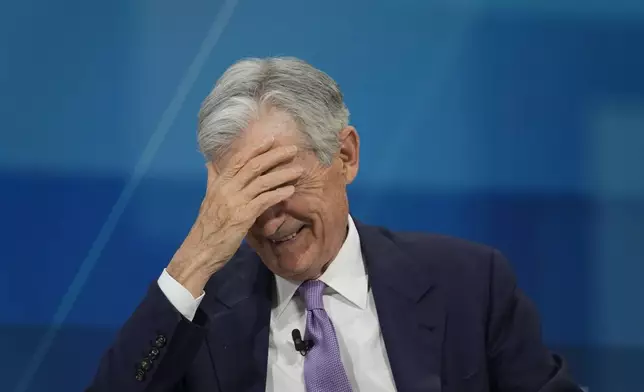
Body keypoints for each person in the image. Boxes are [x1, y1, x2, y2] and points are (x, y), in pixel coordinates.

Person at [87, 57, 582, 392]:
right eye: (244, 194)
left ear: (344, 156)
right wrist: (197, 254)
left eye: (280, 183)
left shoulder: (471, 284)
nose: (269, 217)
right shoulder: (196, 315)